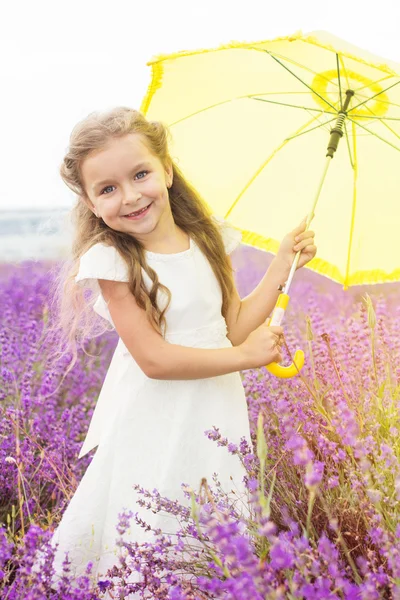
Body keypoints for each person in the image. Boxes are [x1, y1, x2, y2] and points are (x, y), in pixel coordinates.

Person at [41, 107, 316, 595]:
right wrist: (246, 358)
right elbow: (155, 360)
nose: (129, 196)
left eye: (140, 174)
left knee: (213, 519)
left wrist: (280, 266)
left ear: (167, 170)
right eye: (107, 189)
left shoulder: (206, 238)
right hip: (156, 414)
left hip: (215, 407)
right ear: (89, 201)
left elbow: (229, 327)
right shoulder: (114, 261)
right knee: (153, 518)